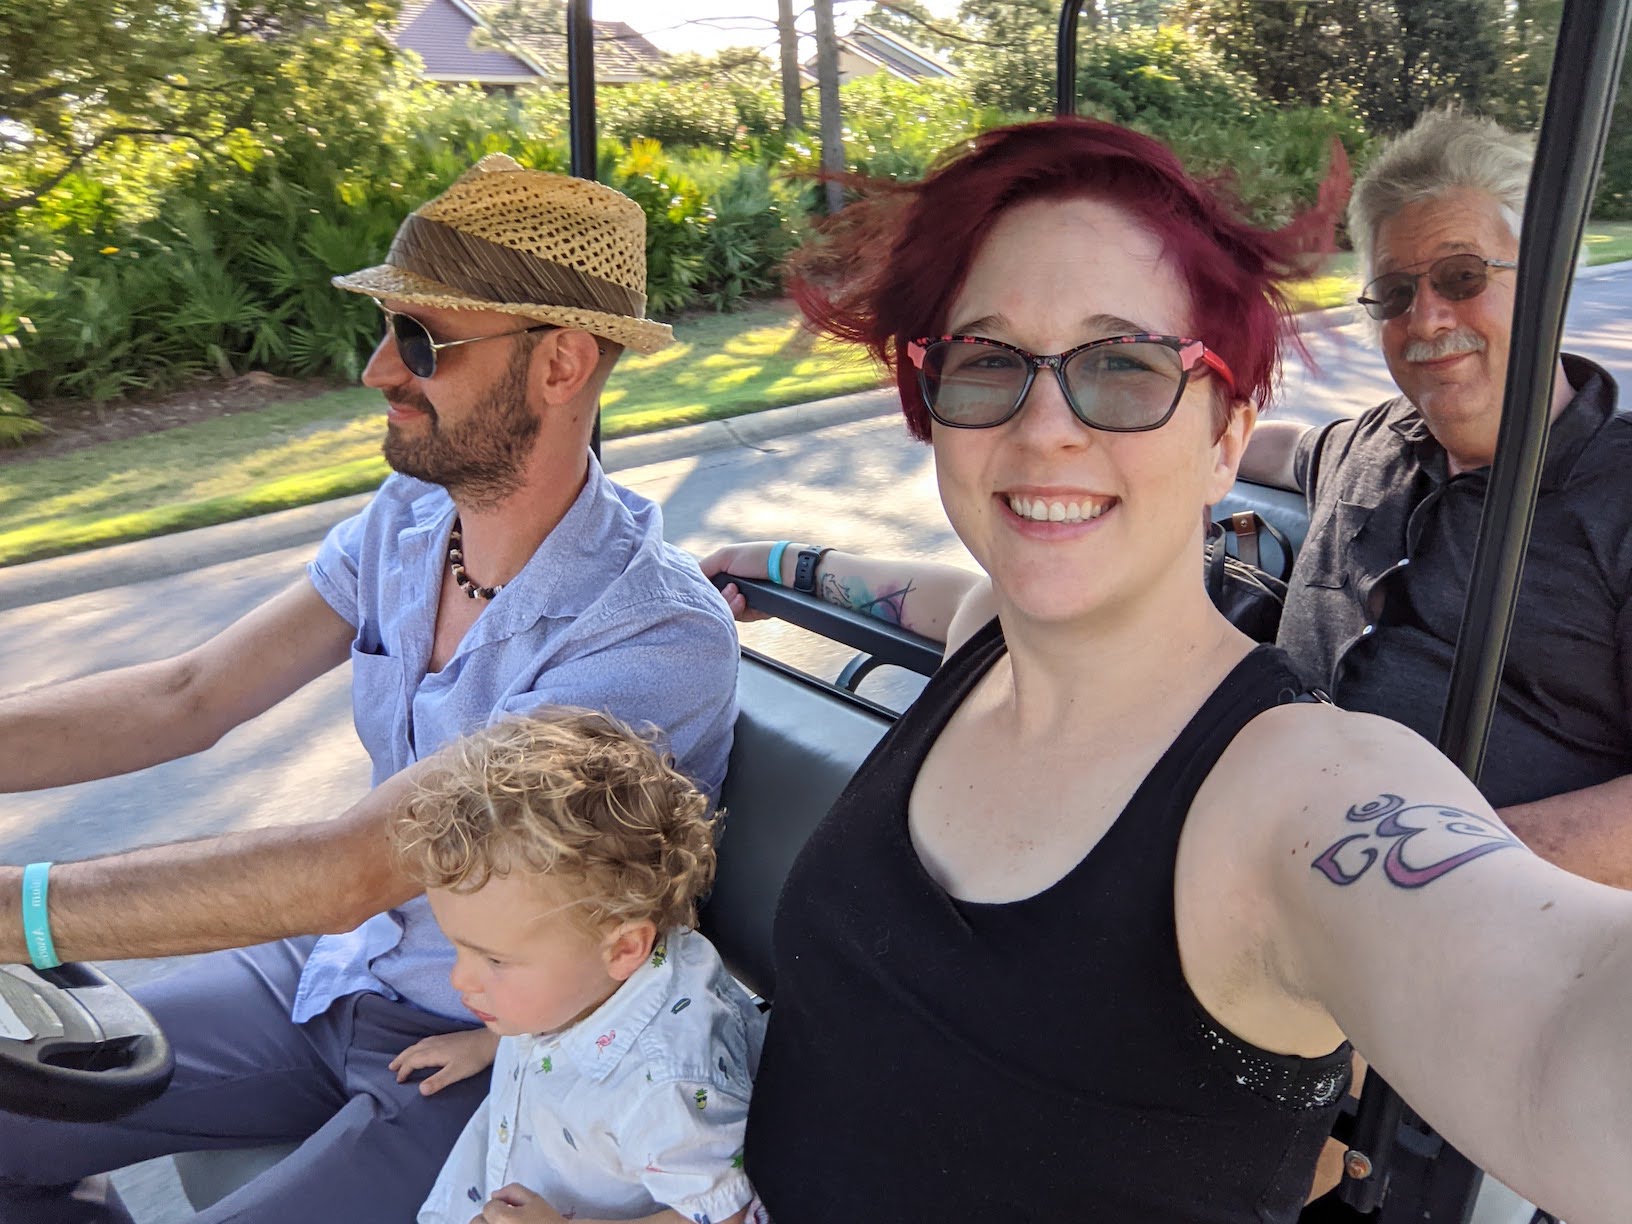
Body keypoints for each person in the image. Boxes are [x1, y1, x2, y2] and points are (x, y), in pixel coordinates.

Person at [707, 117, 1632, 1223]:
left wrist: (1454, 857)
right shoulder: (991, 642)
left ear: (1222, 436)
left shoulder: (1298, 804)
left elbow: (1559, 1030)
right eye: (989, 362)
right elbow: (963, 593)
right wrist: (790, 564)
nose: (1046, 430)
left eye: (1124, 368)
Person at [0, 156, 739, 1224]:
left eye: (422, 341)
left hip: (494, 1042)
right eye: (387, 330)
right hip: (334, 973)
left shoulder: (650, 635)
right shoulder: (407, 523)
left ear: (561, 362)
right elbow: (189, 694)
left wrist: (18, 914)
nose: (377, 370)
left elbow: (353, 867)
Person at [1239, 110, 1632, 889]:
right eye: (1394, 292)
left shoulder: (1618, 500)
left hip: (1485, 929)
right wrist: (1174, 447)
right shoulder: (1371, 442)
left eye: (1462, 277)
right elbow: (1285, 451)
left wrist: (1410, 868)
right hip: (1246, 867)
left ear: (1551, 279)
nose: (1425, 318)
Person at [385, 709, 764, 1224]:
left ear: (625, 949)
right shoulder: (585, 971)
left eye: (494, 959)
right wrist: (491, 1041)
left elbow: (724, 1215)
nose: (459, 978)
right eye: (458, 947)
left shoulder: (664, 1086)